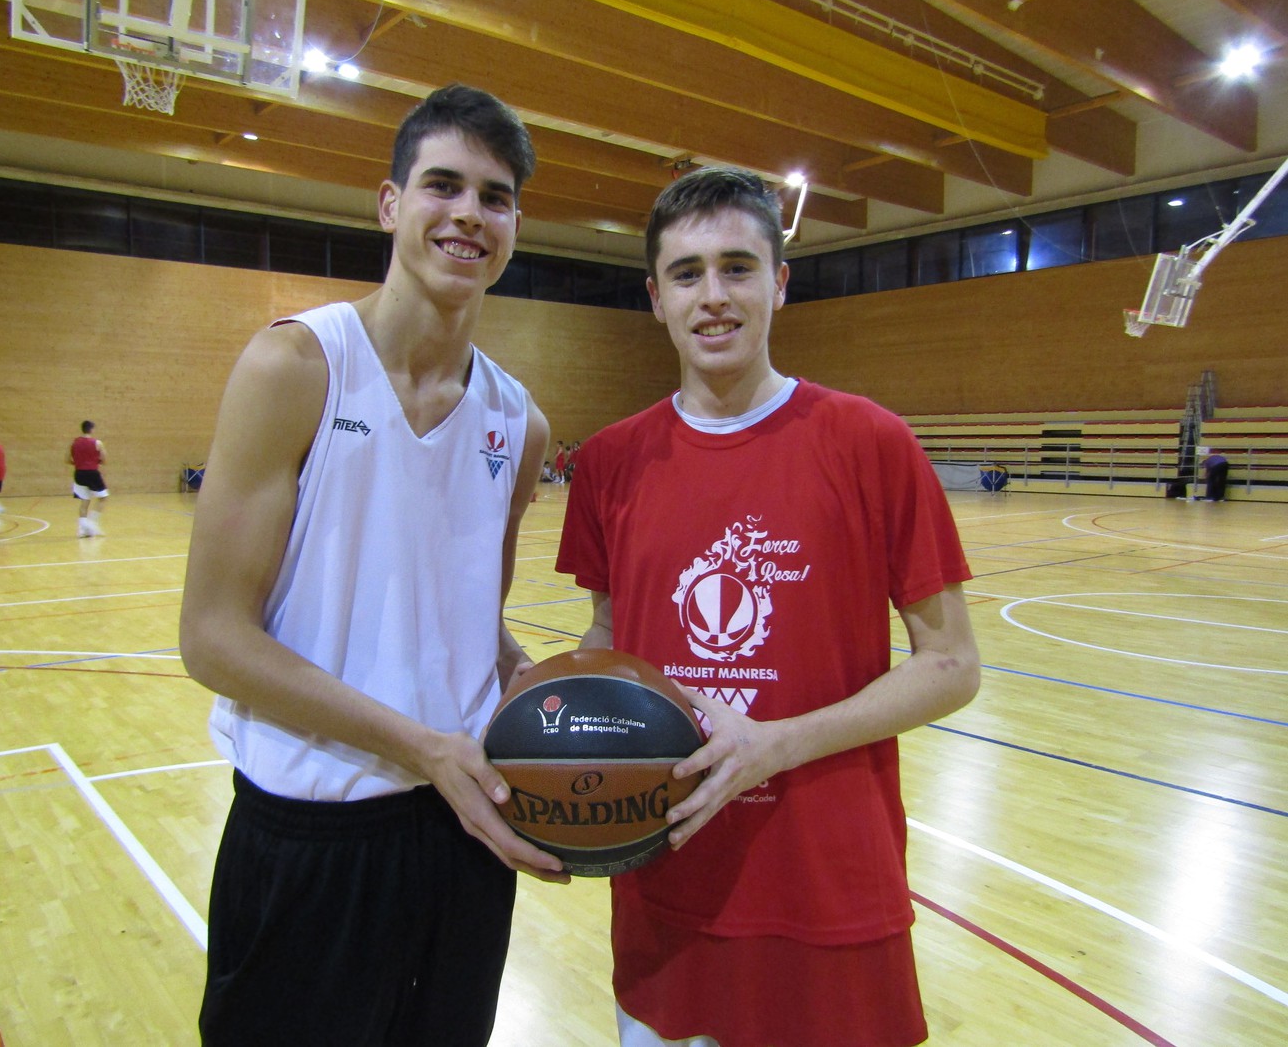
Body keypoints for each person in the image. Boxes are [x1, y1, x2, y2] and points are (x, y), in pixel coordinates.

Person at [556, 166, 981, 1047]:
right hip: (667, 872)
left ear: (779, 284)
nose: (713, 296)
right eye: (686, 274)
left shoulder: (871, 441)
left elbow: (950, 666)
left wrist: (776, 743)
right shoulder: (607, 462)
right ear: (655, 298)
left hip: (827, 880)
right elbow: (608, 633)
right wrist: (554, 717)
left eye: (737, 267)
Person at [178, 84, 563, 1047]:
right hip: (311, 833)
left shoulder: (519, 423)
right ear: (391, 205)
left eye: (496, 195)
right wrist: (420, 744)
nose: (469, 213)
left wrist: (550, 691)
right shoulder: (297, 367)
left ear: (514, 223)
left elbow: (467, 624)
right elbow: (214, 639)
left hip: (463, 833)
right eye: (443, 185)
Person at [68, 420, 108, 537]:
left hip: (79, 473)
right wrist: (94, 462)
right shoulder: (98, 443)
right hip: (92, 473)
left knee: (85, 501)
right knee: (103, 497)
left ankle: (81, 530)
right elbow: (104, 460)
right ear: (91, 429)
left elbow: (66, 459)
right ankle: (92, 523)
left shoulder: (74, 443)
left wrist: (79, 463)